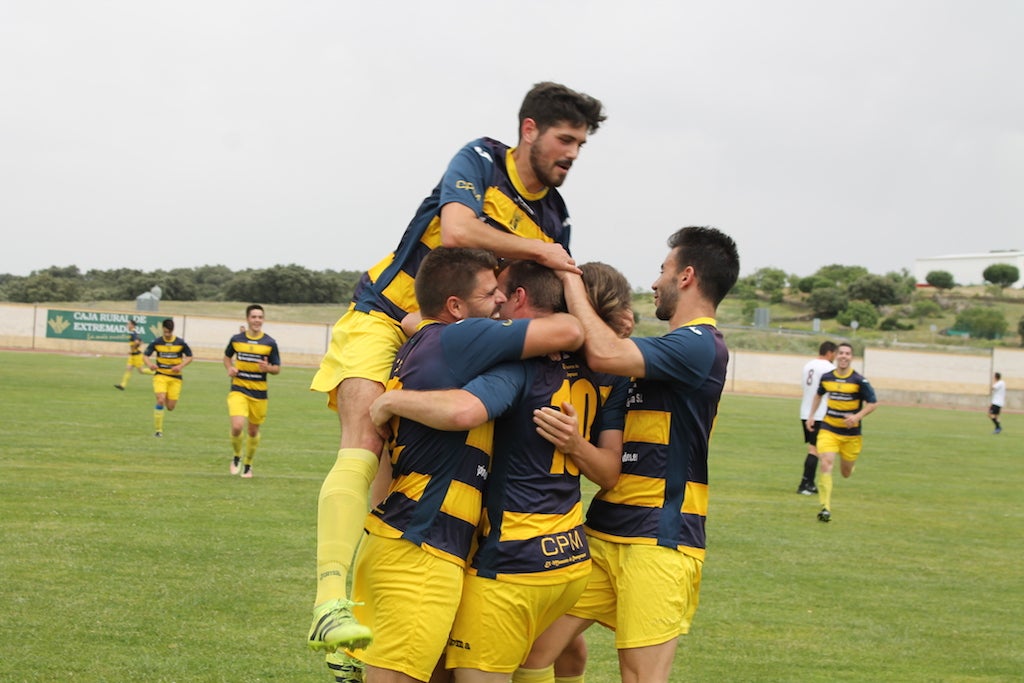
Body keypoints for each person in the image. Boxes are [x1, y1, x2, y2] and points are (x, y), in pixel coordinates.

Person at [307, 81, 606, 654]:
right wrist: (541, 250)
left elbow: (549, 293)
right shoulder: (480, 159)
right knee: (366, 441)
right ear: (529, 131)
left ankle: (358, 641)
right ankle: (328, 603)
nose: (571, 153)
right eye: (565, 139)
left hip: (458, 336)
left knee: (420, 472)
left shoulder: (556, 214)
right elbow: (460, 229)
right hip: (389, 312)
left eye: (581, 145)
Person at [325, 248, 585, 682]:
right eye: (489, 294)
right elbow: (569, 330)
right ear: (455, 308)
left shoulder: (426, 337)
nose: (499, 302)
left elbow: (414, 319)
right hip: (424, 550)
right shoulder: (461, 338)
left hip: (394, 537)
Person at [369, 260, 628, 682]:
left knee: (451, 669)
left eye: (502, 292)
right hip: (570, 556)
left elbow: (464, 409)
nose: (499, 301)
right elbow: (610, 472)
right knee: (540, 660)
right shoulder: (607, 374)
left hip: (511, 557)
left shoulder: (517, 365)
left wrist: (390, 402)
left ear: (522, 296)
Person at [516, 226, 740, 683]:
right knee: (531, 652)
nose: (655, 283)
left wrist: (570, 279)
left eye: (663, 270)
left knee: (639, 676)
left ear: (687, 277)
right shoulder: (656, 354)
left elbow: (604, 353)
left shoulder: (701, 345)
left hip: (659, 539)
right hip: (602, 533)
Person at [805, 342, 878, 523]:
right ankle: (825, 507)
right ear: (836, 356)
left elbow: (873, 403)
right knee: (826, 463)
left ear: (851, 357)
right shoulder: (827, 377)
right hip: (829, 429)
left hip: (851, 434)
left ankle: (849, 466)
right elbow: (818, 394)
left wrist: (857, 416)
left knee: (846, 472)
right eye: (841, 353)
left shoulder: (859, 381)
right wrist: (811, 416)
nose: (844, 356)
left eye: (848, 353)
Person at [223, 304, 281, 478]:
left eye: (260, 317)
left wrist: (267, 368)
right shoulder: (236, 339)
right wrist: (230, 368)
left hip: (259, 394)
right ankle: (236, 456)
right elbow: (227, 357)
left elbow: (277, 368)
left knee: (253, 431)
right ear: (248, 319)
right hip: (238, 389)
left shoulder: (270, 343)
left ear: (263, 320)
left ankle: (248, 463)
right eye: (254, 317)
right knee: (237, 426)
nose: (257, 320)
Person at [797, 341, 837, 495]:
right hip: (820, 414)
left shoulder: (808, 365)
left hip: (805, 412)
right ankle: (805, 484)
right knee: (815, 449)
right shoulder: (830, 368)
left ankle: (810, 483)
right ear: (830, 353)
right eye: (835, 354)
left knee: (815, 449)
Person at [143, 318, 194, 438]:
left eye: (169, 332)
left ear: (172, 331)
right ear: (162, 330)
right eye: (165, 332)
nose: (167, 334)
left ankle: (164, 401)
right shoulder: (157, 342)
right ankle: (158, 430)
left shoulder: (180, 343)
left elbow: (190, 357)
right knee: (160, 399)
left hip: (175, 378)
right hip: (160, 375)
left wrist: (180, 366)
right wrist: (150, 364)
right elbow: (145, 355)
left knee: (170, 407)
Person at [113, 318, 154, 390]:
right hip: (133, 356)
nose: (127, 325)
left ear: (132, 325)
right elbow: (141, 342)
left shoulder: (133, 333)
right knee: (128, 368)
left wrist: (132, 349)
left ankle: (156, 373)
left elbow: (137, 342)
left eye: (128, 324)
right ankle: (122, 385)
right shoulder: (134, 332)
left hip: (137, 355)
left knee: (141, 371)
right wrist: (133, 349)